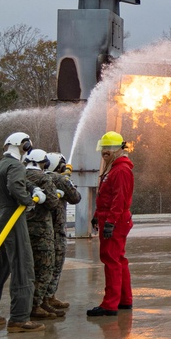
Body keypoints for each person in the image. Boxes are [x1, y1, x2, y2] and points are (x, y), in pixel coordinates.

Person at [0, 132, 46, 333]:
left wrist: (33, 188)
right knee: (22, 266)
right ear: (24, 146)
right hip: (11, 219)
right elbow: (16, 186)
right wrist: (29, 202)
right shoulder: (15, 165)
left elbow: (19, 182)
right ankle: (19, 318)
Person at [87, 131, 135, 317]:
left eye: (109, 148)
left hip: (115, 221)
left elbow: (119, 199)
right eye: (103, 148)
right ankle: (124, 300)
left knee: (111, 260)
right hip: (111, 218)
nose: (104, 152)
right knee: (119, 260)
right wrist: (97, 214)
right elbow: (107, 197)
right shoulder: (114, 168)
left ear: (118, 149)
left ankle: (110, 304)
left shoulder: (121, 170)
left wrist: (110, 222)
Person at [22, 149, 62, 320]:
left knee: (30, 268)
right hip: (43, 231)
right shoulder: (44, 178)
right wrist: (57, 194)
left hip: (24, 229)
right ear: (43, 163)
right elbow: (52, 203)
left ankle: (38, 303)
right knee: (45, 268)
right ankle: (37, 305)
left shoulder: (21, 175)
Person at [46, 152, 81, 310]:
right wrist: (67, 180)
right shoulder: (60, 180)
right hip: (56, 229)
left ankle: (47, 297)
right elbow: (75, 198)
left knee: (43, 265)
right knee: (55, 264)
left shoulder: (39, 177)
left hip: (42, 228)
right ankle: (48, 297)